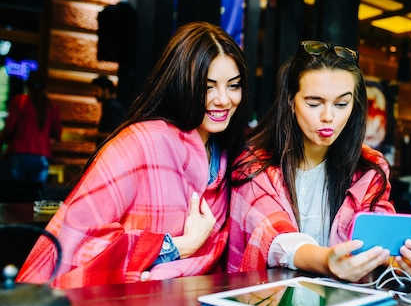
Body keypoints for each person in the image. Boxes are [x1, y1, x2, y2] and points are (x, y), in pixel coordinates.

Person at [17, 22, 249, 288]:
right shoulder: (142, 143)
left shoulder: (229, 158)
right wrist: (178, 246)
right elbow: (79, 239)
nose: (223, 99)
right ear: (181, 84)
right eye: (207, 87)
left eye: (233, 85)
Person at [227, 40, 411, 283]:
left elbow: (376, 237)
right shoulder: (256, 163)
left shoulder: (369, 167)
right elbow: (271, 234)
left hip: (344, 304)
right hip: (267, 300)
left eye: (341, 104)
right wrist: (327, 261)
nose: (328, 117)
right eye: (314, 103)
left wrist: (401, 259)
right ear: (290, 102)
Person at [2, 71, 62, 183]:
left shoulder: (20, 101)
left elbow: (9, 129)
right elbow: (57, 133)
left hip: (18, 154)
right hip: (41, 157)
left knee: (13, 195)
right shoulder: (51, 106)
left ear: (27, 85)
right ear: (45, 87)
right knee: (35, 196)